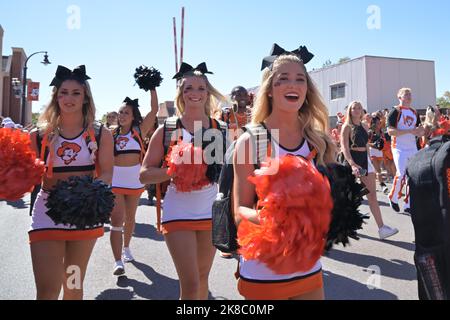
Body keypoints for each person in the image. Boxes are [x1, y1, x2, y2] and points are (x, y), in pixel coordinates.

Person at [233, 45, 336, 300]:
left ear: (307, 90)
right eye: (283, 79)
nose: (293, 85)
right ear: (269, 90)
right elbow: (239, 211)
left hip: (307, 264)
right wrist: (274, 219)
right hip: (263, 268)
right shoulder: (252, 141)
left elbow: (331, 198)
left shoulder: (318, 142)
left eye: (300, 79)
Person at [139, 61, 226, 300]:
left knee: (202, 277)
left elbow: (231, 172)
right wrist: (176, 170)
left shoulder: (221, 128)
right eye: (188, 88)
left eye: (200, 88)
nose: (194, 93)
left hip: (211, 211)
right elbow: (144, 174)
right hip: (178, 210)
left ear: (208, 93)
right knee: (189, 283)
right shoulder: (168, 129)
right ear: (181, 93)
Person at [29, 65, 114, 299]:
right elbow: (28, 175)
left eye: (76, 93)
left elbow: (106, 174)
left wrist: (86, 195)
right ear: (56, 96)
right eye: (63, 92)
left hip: (83, 216)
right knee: (47, 290)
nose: (69, 98)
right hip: (47, 212)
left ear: (85, 97)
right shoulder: (38, 134)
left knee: (73, 285)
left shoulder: (100, 133)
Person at [109, 93, 158, 276]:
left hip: (134, 181)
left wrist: (152, 88)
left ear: (133, 115)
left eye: (126, 113)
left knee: (130, 218)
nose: (122, 116)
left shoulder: (139, 131)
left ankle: (126, 247)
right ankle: (117, 261)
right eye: (120, 112)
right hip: (116, 181)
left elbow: (154, 110)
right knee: (116, 220)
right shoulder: (111, 133)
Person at [341, 101, 398, 240]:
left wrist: (369, 159)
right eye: (354, 108)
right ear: (350, 110)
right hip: (351, 161)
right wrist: (353, 164)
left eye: (359, 108)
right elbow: (344, 148)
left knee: (372, 195)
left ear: (362, 111)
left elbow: (365, 144)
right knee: (347, 197)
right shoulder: (346, 127)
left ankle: (382, 228)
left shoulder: (364, 126)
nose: (357, 110)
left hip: (364, 161)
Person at [387, 88, 425, 214]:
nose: (409, 96)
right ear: (399, 97)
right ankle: (393, 197)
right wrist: (409, 131)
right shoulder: (395, 111)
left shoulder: (414, 112)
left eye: (410, 94)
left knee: (412, 175)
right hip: (399, 148)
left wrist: (422, 131)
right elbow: (390, 131)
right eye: (406, 94)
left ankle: (408, 204)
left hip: (412, 147)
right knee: (401, 173)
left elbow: (418, 130)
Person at [368, 115, 389, 194]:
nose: (379, 124)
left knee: (375, 171)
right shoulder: (370, 132)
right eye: (377, 123)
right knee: (378, 170)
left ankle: (371, 186)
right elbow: (366, 143)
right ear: (373, 124)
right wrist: (373, 144)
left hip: (380, 153)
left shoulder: (381, 132)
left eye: (379, 123)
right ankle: (383, 185)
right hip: (372, 152)